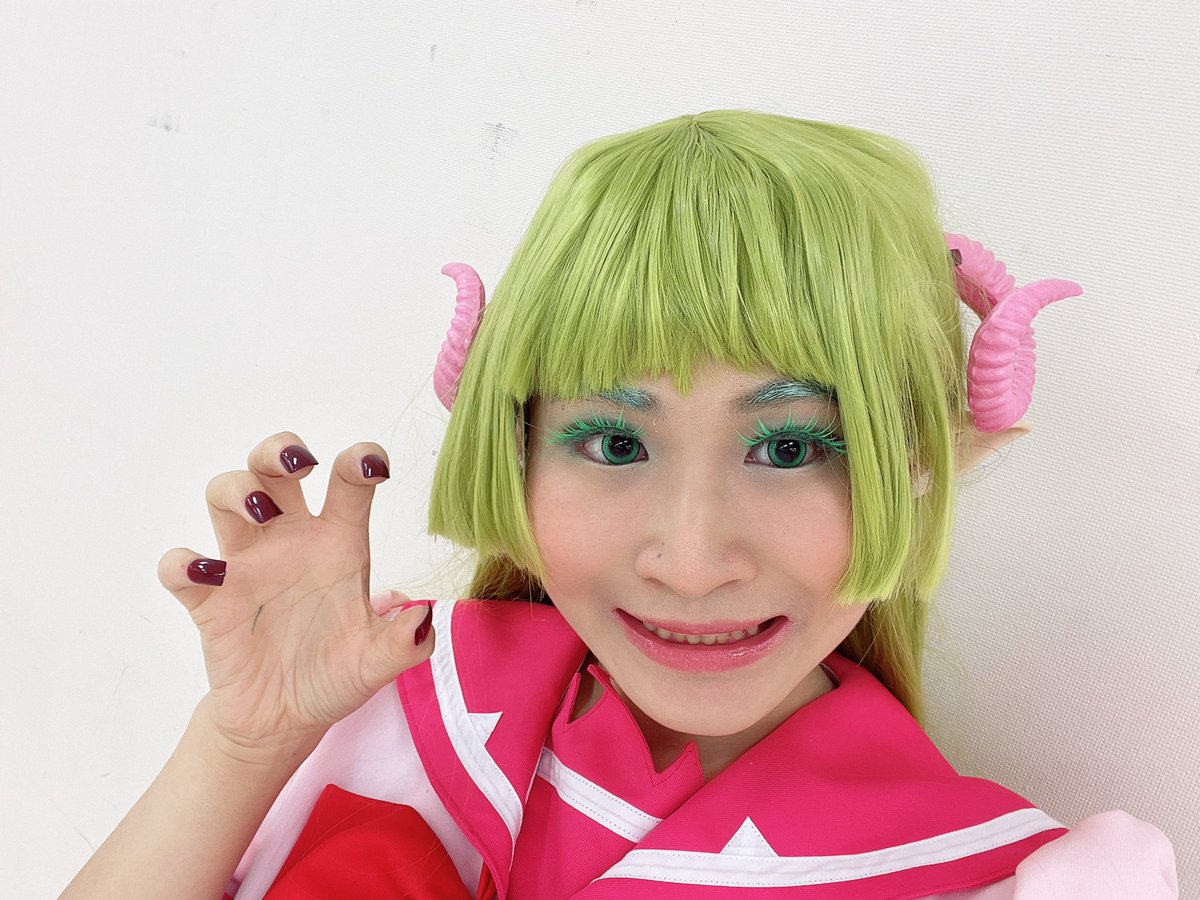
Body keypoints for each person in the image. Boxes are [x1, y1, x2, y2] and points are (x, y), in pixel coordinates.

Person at [62, 110, 1178, 899]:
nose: (690, 560)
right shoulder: (395, 705)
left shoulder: (1000, 881)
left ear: (921, 459)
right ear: (516, 450)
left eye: (790, 446)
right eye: (612, 441)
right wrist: (243, 746)